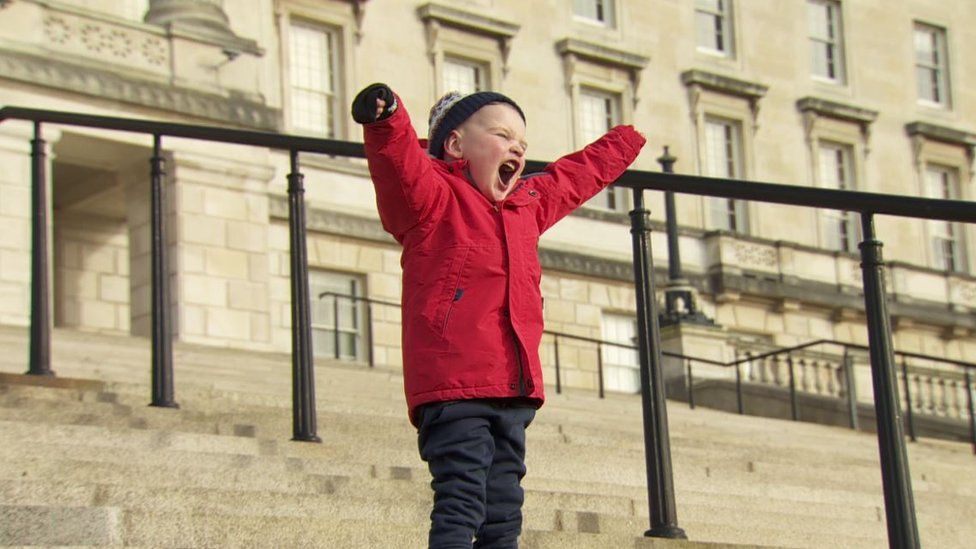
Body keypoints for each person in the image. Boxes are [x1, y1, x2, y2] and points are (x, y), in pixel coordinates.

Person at [351, 83, 645, 548]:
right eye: (503, 135)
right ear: (455, 145)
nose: (516, 149)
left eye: (523, 145)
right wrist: (386, 121)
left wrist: (626, 139)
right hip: (454, 385)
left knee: (504, 512)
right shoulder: (431, 199)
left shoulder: (525, 206)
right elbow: (399, 166)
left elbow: (573, 177)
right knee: (462, 500)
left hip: (513, 386)